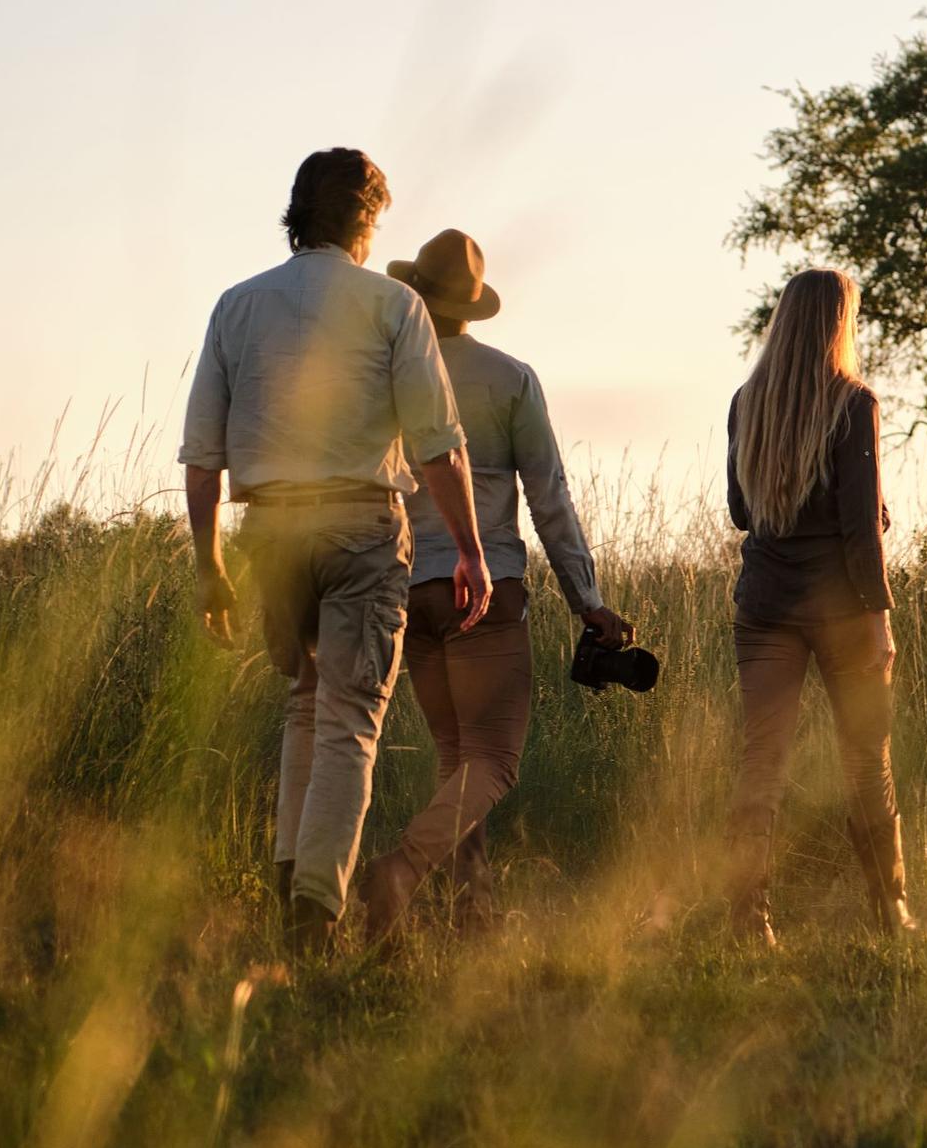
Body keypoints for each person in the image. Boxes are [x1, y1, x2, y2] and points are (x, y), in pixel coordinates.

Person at [179, 148, 492, 956]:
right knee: (349, 720)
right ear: (365, 221)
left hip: (271, 531)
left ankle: (291, 880)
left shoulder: (236, 306)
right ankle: (315, 914)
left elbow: (202, 457)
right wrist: (469, 551)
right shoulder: (392, 304)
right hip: (359, 526)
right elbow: (437, 447)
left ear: (296, 213)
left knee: (304, 703)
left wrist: (209, 565)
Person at [355, 229, 634, 945]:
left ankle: (470, 916)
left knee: (458, 760)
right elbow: (549, 498)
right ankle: (402, 872)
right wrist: (587, 599)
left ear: (416, 292)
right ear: (472, 306)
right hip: (485, 587)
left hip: (405, 588)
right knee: (496, 762)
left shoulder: (390, 373)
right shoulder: (509, 378)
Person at [724, 267, 911, 945]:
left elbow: (743, 512)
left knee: (761, 762)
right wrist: (880, 619)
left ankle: (749, 920)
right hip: (841, 612)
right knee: (866, 760)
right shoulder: (853, 402)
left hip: (766, 605)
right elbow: (861, 529)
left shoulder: (747, 401)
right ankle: (892, 915)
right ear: (840, 324)